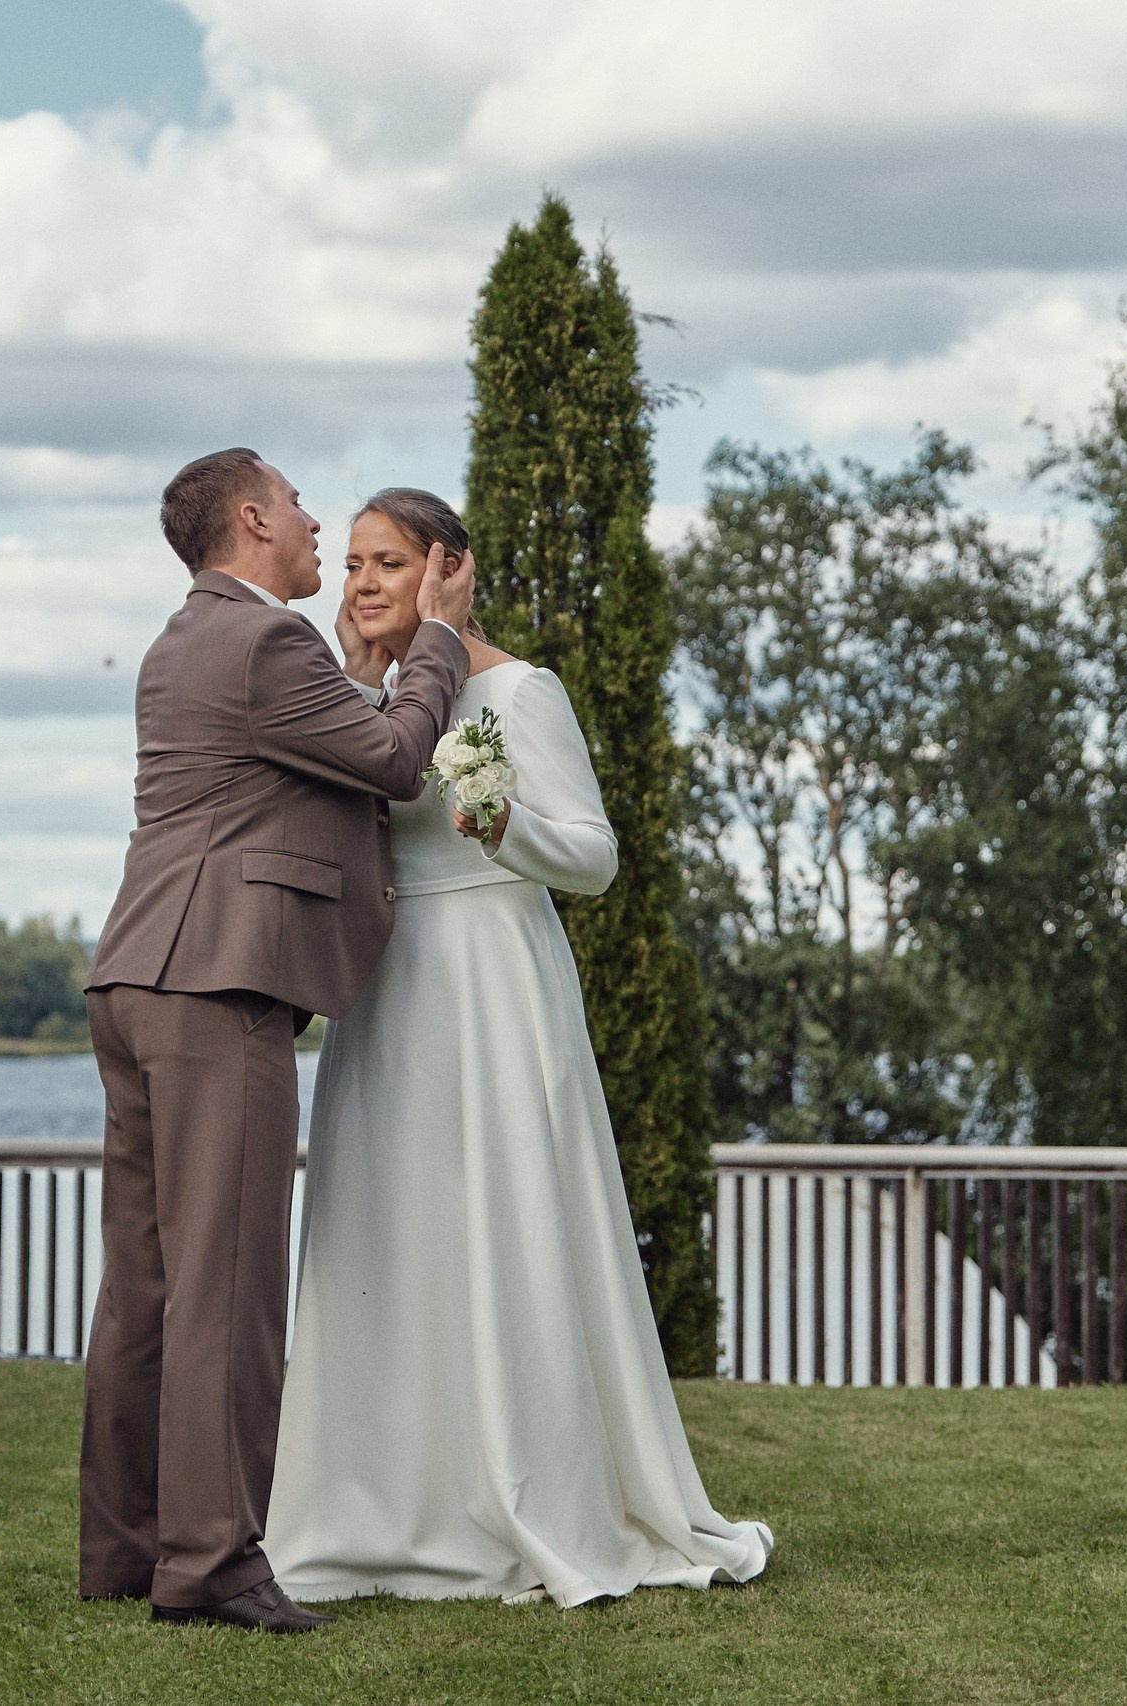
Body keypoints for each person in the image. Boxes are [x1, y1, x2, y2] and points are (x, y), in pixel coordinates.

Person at [266, 488, 775, 1608]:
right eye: (350, 562)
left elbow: (592, 858)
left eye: (386, 562)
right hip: (386, 989)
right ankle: (375, 1498)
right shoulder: (365, 698)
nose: (357, 583)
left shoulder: (516, 690)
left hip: (493, 979)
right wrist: (357, 685)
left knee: (503, 1226)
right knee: (384, 1233)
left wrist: (509, 827)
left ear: (450, 569)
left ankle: (521, 1491)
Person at [81, 450, 475, 1633]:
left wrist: (357, 682)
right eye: (302, 505)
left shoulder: (180, 640)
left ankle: (127, 1548)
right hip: (219, 983)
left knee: (145, 1285)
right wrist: (438, 645)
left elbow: (296, 770)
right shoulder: (265, 641)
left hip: (138, 973)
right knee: (228, 1284)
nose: (316, 525)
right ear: (252, 520)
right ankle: (214, 1564)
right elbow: (397, 762)